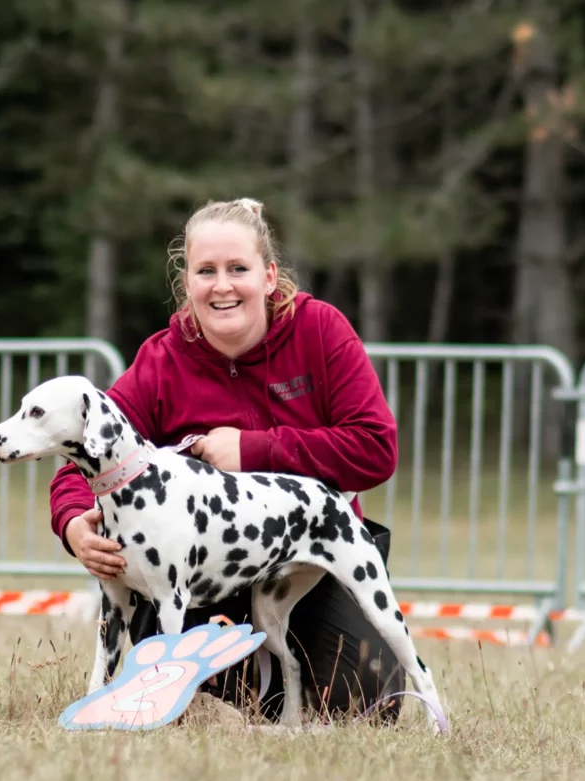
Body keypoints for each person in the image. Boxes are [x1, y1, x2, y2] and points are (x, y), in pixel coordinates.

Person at [50, 197, 405, 722]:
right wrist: (75, 524)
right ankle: (222, 695)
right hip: (202, 569)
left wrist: (252, 450)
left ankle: (276, 689)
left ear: (268, 276)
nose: (222, 286)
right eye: (206, 271)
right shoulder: (161, 360)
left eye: (238, 269)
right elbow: (87, 454)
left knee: (365, 703)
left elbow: (375, 448)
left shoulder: (321, 331)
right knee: (171, 650)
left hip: (309, 554)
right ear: (187, 282)